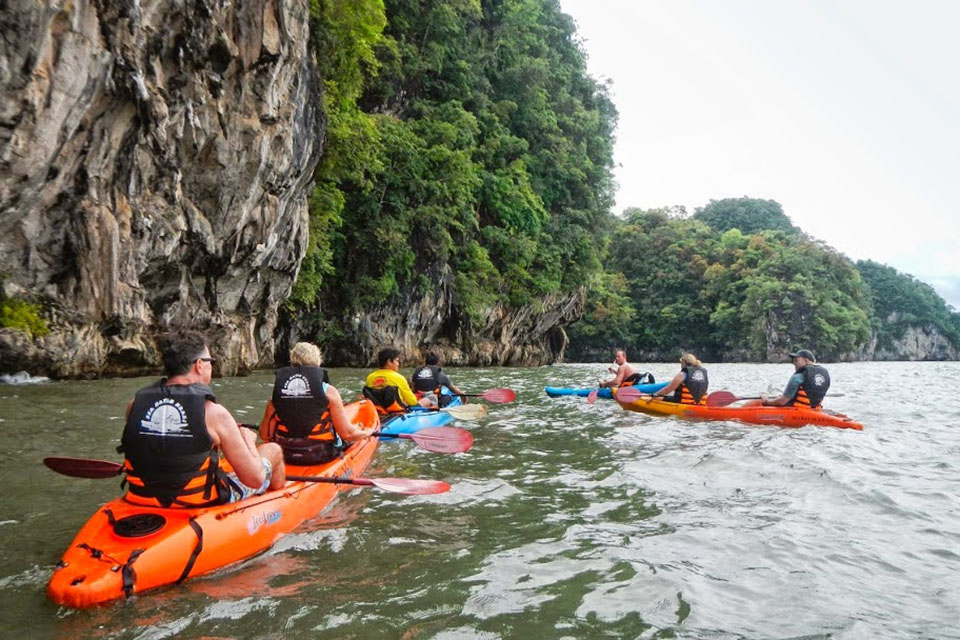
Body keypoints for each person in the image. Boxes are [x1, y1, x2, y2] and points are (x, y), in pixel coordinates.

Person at [120, 330, 285, 508]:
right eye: (210, 361)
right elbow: (254, 479)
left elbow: (169, 446)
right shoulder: (214, 413)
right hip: (194, 504)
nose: (211, 366)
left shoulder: (135, 404)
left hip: (141, 500)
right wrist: (248, 441)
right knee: (273, 449)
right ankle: (282, 499)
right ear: (199, 365)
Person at [259, 342, 379, 465]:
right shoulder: (329, 392)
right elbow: (347, 434)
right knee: (351, 439)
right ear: (318, 362)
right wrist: (367, 432)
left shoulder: (277, 394)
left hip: (285, 455)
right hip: (319, 455)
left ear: (292, 361)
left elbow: (265, 435)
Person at [363, 347, 432, 415]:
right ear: (389, 362)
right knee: (428, 399)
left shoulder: (370, 377)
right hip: (396, 412)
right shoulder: (399, 378)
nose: (398, 364)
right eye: (397, 361)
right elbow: (412, 402)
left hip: (378, 411)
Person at [761, 349, 830, 408]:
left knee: (758, 402)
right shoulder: (824, 375)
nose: (793, 363)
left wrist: (766, 401)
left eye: (796, 360)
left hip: (798, 410)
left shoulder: (798, 377)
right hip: (814, 408)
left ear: (806, 361)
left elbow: (782, 402)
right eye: (793, 361)